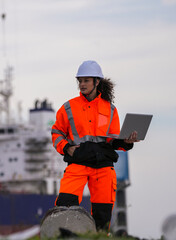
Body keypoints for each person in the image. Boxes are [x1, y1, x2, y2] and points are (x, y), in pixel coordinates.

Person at [51, 60, 138, 231]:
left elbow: (112, 140)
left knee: (103, 217)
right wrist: (67, 147)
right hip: (78, 163)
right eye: (80, 81)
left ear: (97, 82)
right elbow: (56, 132)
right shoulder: (68, 108)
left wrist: (126, 142)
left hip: (103, 168)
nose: (82, 84)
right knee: (64, 207)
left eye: (86, 80)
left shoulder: (110, 109)